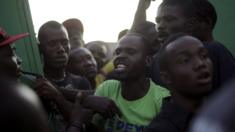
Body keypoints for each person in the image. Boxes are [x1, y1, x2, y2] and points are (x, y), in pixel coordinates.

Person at [82, 33, 169, 132]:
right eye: (118, 52)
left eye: (131, 52)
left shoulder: (162, 100)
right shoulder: (107, 88)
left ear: (148, 61)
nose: (121, 56)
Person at [152, 0, 235, 90]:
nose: (160, 26)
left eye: (169, 19)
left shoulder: (213, 50)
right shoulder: (155, 60)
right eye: (158, 21)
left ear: (190, 24)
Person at [145, 33, 213, 132]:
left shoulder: (223, 114)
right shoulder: (160, 129)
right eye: (185, 60)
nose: (200, 64)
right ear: (166, 77)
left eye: (204, 55)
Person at [37, 21, 92, 132]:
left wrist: (58, 96)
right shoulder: (36, 83)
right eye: (52, 44)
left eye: (64, 42)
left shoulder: (81, 82)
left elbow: (88, 122)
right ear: (40, 49)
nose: (61, 49)